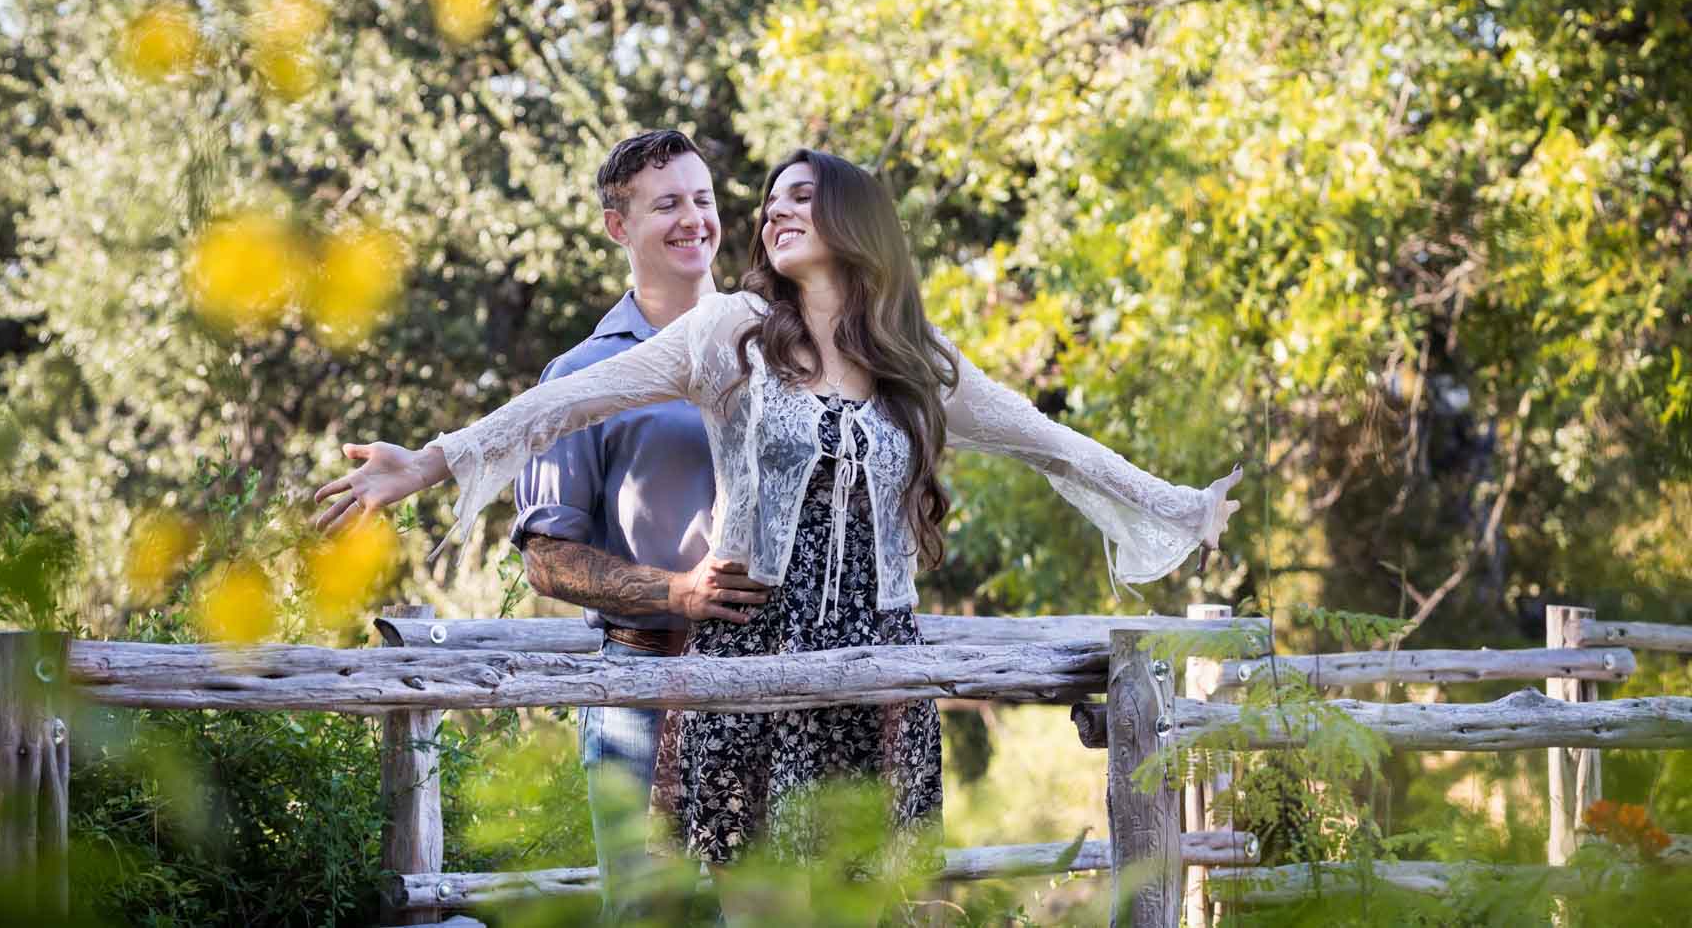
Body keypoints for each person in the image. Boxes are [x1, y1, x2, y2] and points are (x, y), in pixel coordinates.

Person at [314, 148, 1242, 913]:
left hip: (881, 670)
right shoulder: (730, 331)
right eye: (768, 202)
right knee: (764, 912)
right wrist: (429, 462)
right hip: (754, 659)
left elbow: (1055, 445)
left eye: (797, 197)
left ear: (853, 220)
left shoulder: (913, 356)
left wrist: (1182, 507)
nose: (770, 214)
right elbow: (561, 404)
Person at [505, 129, 768, 919]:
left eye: (703, 199)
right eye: (667, 205)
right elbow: (546, 558)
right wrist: (677, 592)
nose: (694, 220)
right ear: (619, 227)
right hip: (639, 697)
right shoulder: (580, 375)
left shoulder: (777, 348)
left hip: (772, 680)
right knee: (651, 916)